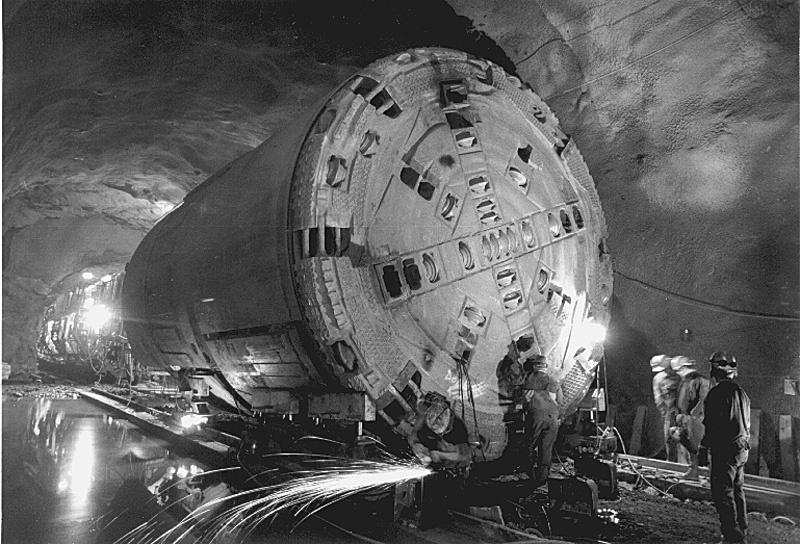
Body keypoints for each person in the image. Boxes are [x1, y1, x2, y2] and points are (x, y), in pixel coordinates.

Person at [702, 351, 751, 544]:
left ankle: (733, 537)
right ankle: (742, 528)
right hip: (742, 448)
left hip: (725, 448)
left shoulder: (716, 394)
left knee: (722, 492)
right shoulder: (742, 393)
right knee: (737, 490)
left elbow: (713, 425)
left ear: (715, 370)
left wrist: (704, 448)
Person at [407, 392, 472, 527]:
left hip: (453, 472)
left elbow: (464, 456)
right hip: (434, 466)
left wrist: (441, 455)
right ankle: (422, 515)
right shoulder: (426, 414)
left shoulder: (458, 429)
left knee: (448, 506)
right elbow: (413, 434)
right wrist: (416, 445)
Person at [521, 354, 562, 488]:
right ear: (545, 366)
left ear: (534, 366)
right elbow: (559, 401)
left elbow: (524, 400)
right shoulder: (553, 380)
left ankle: (530, 474)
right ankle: (541, 479)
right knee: (546, 447)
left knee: (529, 444)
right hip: (552, 417)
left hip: (536, 415)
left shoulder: (528, 379)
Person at [671, 356, 711, 480]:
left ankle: (712, 476)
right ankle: (694, 471)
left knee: (703, 447)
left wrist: (692, 417)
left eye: (679, 370)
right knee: (680, 438)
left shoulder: (701, 381)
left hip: (698, 420)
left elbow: (704, 400)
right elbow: (681, 399)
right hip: (686, 418)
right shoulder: (685, 381)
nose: (678, 373)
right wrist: (679, 415)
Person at [651, 354, 681, 461]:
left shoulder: (680, 376)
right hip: (669, 413)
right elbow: (658, 397)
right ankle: (672, 462)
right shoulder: (658, 378)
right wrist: (665, 412)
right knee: (670, 439)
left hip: (683, 413)